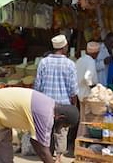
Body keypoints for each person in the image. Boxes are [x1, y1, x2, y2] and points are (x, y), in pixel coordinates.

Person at [0, 87, 79, 163]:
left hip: (2, 120)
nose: (60, 129)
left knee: (4, 160)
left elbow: (37, 142)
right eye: (63, 125)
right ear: (61, 117)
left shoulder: (50, 106)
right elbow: (41, 149)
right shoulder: (45, 115)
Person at [34, 34, 78, 163]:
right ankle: (59, 157)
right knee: (61, 131)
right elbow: (73, 90)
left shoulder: (44, 62)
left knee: (47, 130)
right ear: (64, 47)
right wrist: (73, 104)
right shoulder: (70, 64)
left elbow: (38, 85)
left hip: (45, 104)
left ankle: (47, 155)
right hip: (63, 105)